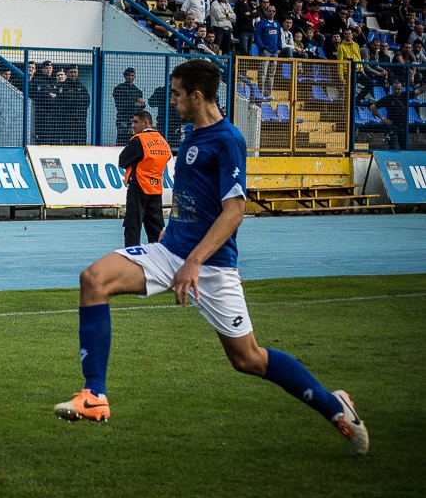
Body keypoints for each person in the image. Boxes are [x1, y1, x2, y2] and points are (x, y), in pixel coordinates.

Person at [53, 59, 369, 457]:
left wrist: (195, 261)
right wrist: (174, 229)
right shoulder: (191, 135)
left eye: (177, 94)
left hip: (212, 267)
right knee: (94, 279)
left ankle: (333, 405)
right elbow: (193, 199)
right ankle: (95, 393)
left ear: (196, 96)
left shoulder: (228, 140)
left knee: (248, 359)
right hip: (170, 251)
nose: (173, 100)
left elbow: (234, 211)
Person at [118, 110, 171, 248]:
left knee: (133, 224)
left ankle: (131, 256)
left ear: (146, 123)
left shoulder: (139, 140)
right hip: (156, 187)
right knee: (155, 226)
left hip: (139, 185)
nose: (133, 125)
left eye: (136, 122)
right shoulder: (162, 140)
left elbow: (122, 161)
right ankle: (159, 257)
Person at [370, 80, 410, 149]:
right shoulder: (388, 98)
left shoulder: (405, 96)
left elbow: (419, 91)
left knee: (405, 148)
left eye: (399, 89)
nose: (397, 91)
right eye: (395, 89)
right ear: (392, 89)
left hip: (403, 126)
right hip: (392, 125)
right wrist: (383, 118)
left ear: (402, 89)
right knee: (392, 147)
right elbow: (372, 107)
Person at [58, 65, 90, 145]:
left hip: (80, 120)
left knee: (81, 142)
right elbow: (62, 101)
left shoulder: (81, 87)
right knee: (67, 143)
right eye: (71, 72)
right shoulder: (62, 86)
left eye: (75, 72)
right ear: (67, 74)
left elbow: (86, 101)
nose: (73, 74)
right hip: (67, 120)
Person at [112, 67, 144, 146]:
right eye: (128, 75)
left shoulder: (137, 91)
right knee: (121, 141)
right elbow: (120, 105)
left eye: (132, 75)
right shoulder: (119, 89)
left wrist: (142, 104)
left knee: (133, 141)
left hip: (134, 120)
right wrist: (134, 104)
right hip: (123, 119)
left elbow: (139, 109)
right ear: (125, 76)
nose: (130, 77)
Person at [253, 5, 280, 95]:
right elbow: (257, 36)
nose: (271, 13)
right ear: (266, 12)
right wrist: (262, 48)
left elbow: (279, 37)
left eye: (273, 11)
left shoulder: (277, 24)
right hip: (265, 52)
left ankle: (268, 94)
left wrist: (279, 48)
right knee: (262, 73)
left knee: (271, 74)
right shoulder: (261, 23)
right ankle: (260, 93)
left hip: (274, 52)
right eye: (270, 11)